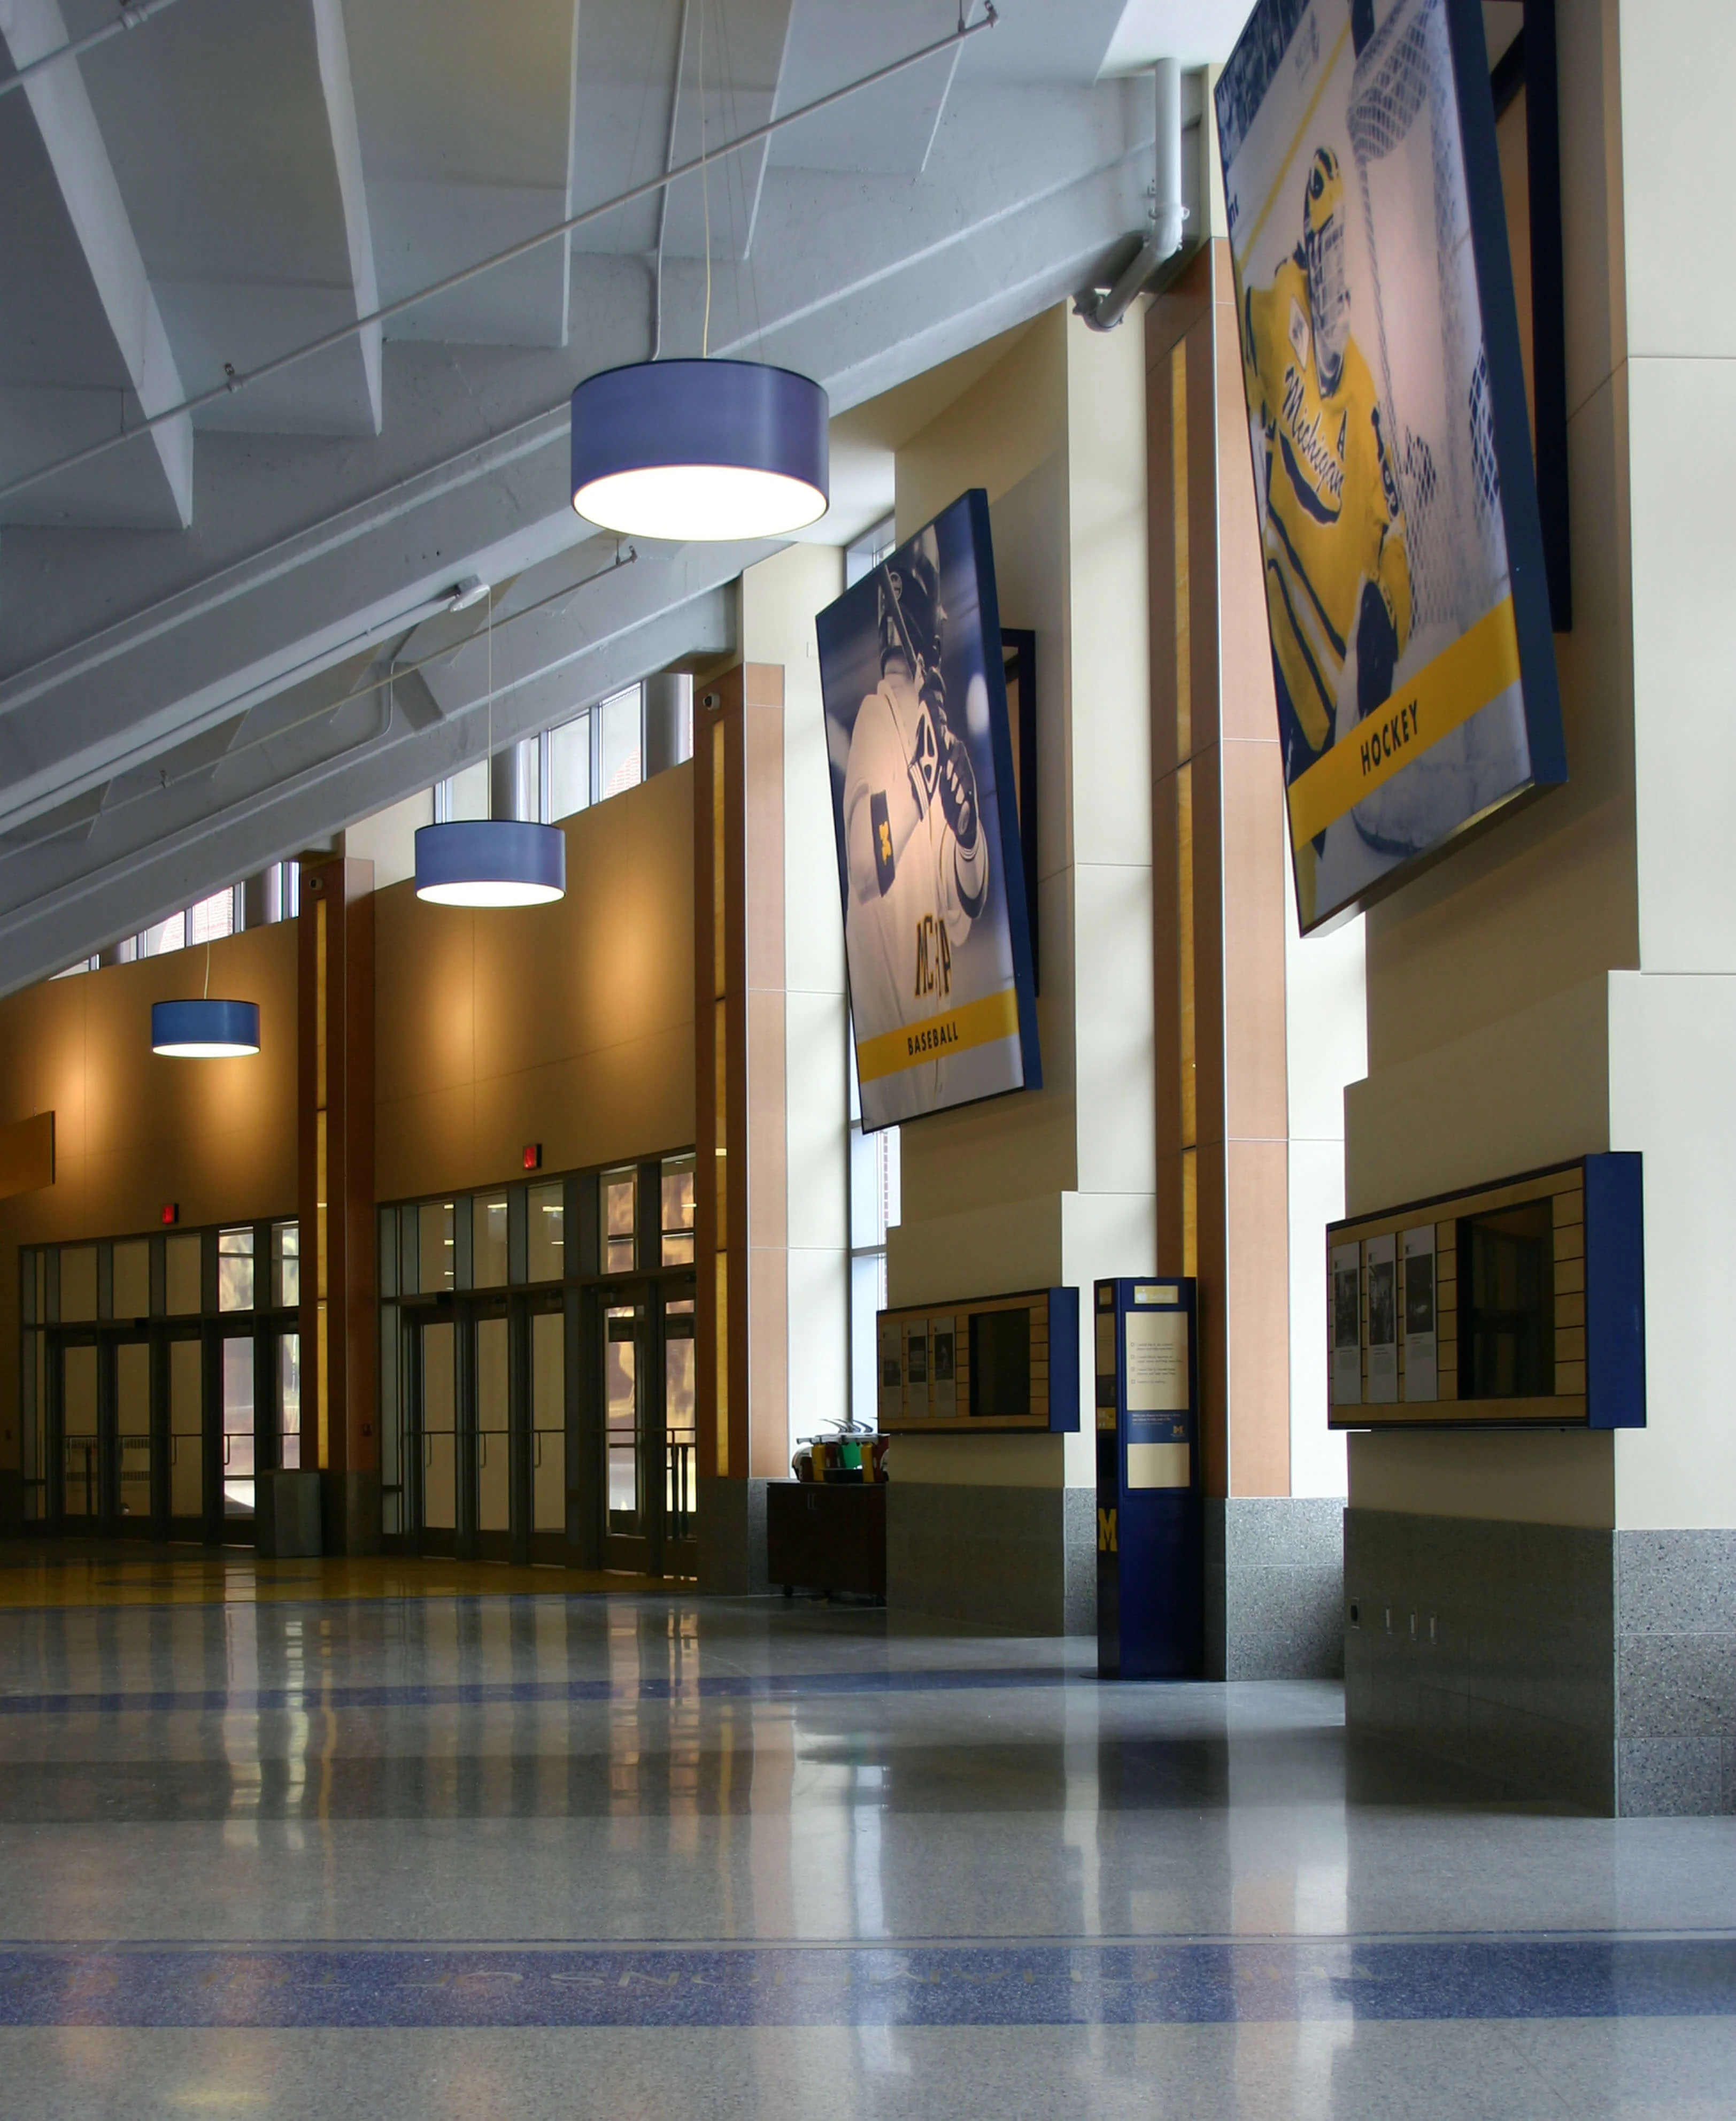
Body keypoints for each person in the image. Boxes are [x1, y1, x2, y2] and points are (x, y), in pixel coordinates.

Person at [1241, 143, 1413, 898]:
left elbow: (1394, 554)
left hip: (1317, 704)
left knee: (1311, 861)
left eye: (1345, 243)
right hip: (1266, 646)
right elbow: (1246, 371)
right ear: (1309, 255)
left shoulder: (1370, 405)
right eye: (1323, 244)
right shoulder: (1277, 308)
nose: (1333, 269)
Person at [842, 529, 988, 1119]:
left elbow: (964, 908)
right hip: (890, 1047)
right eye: (939, 601)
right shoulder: (877, 718)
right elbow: (862, 861)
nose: (948, 613)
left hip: (934, 1062)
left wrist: (969, 831)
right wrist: (918, 783)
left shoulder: (945, 741)